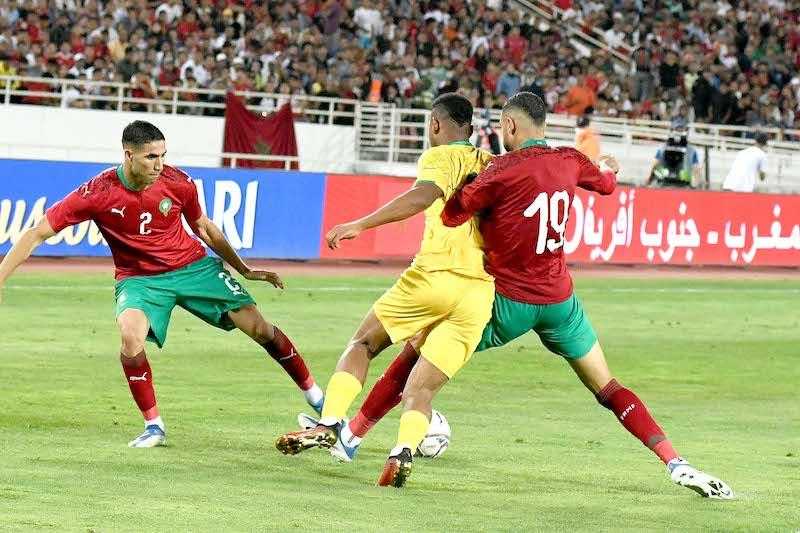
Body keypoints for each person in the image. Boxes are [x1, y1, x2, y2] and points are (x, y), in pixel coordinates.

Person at [301, 93, 734, 499]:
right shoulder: (568, 159)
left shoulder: (501, 170)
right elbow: (605, 185)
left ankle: (351, 436)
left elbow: (452, 214)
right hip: (561, 304)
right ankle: (675, 462)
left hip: (506, 303)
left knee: (415, 355)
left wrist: (469, 187)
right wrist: (606, 167)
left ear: (509, 125)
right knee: (608, 386)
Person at [0, 120, 324, 448]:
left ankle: (318, 400)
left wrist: (244, 269)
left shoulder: (178, 183)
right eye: (151, 157)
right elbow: (37, 232)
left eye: (163, 155)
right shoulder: (97, 192)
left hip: (193, 267)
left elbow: (205, 228)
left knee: (259, 328)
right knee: (130, 337)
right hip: (140, 279)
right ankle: (154, 425)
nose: (160, 164)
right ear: (129, 155)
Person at [273, 93, 495, 488]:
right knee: (421, 387)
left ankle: (329, 422)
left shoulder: (442, 156)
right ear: (473, 128)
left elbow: (423, 195)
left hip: (433, 278)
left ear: (435, 125)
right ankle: (403, 451)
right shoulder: (494, 165)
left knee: (363, 343)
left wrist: (362, 223)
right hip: (479, 294)